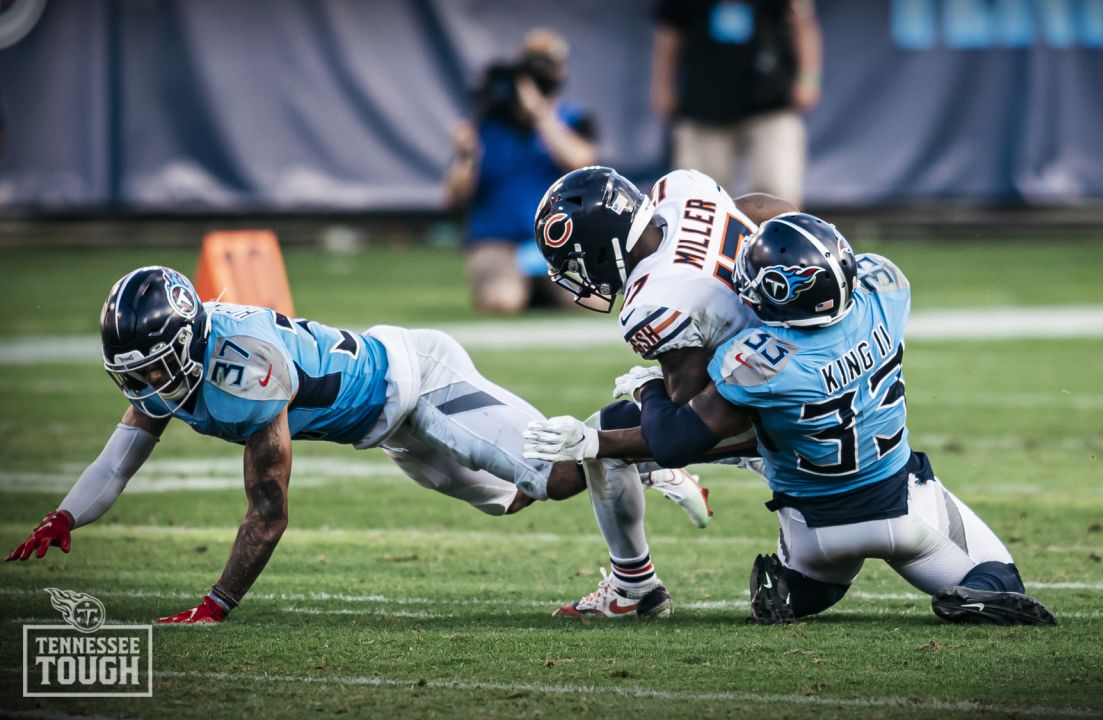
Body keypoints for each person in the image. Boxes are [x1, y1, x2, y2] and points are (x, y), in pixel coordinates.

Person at [525, 213, 1057, 626]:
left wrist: (645, 387)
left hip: (814, 531)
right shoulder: (888, 293)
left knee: (811, 576)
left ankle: (790, 587)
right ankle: (975, 601)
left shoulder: (758, 361)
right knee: (1001, 580)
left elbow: (674, 439)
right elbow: (850, 261)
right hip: (905, 513)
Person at [4, 266, 596, 623]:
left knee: (556, 478)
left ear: (187, 344)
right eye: (134, 375)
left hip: (418, 381)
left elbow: (269, 515)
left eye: (153, 371)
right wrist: (65, 515)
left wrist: (216, 604)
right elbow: (117, 462)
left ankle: (630, 444)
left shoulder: (246, 371)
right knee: (514, 499)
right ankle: (627, 459)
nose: (145, 388)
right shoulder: (184, 361)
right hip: (389, 427)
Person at [528, 165, 796, 618]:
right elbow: (763, 210)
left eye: (575, 263)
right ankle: (633, 583)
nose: (577, 277)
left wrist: (645, 386)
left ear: (603, 248)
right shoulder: (681, 189)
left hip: (783, 409)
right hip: (811, 365)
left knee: (606, 441)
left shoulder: (655, 302)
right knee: (605, 434)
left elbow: (679, 425)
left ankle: (632, 591)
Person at [444, 28, 599, 314]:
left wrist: (540, 114)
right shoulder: (487, 123)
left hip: (556, 240)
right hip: (497, 239)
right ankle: (521, 287)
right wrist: (466, 155)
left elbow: (582, 163)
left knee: (591, 301)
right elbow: (453, 196)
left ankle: (541, 287)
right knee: (503, 301)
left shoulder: (573, 119)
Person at [651, 0, 822, 207]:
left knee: (777, 194)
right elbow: (669, 34)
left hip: (771, 100)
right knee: (698, 197)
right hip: (704, 104)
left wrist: (808, 78)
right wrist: (663, 87)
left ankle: (781, 239)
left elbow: (802, 22)